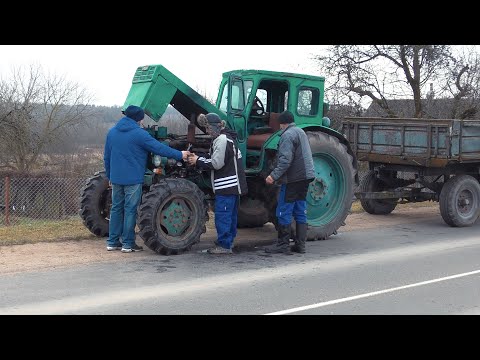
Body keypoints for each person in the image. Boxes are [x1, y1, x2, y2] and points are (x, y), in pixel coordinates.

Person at [104, 105, 191, 253]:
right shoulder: (139, 134)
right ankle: (128, 244)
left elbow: (107, 156)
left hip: (116, 177)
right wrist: (180, 154)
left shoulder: (112, 132)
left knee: (116, 208)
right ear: (139, 118)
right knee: (130, 210)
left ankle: (112, 242)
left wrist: (109, 175)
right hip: (133, 178)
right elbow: (159, 148)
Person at [187, 113, 248, 254]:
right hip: (233, 186)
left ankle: (224, 245)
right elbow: (216, 158)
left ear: (215, 127)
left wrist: (197, 161)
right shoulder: (227, 138)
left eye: (208, 128)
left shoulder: (221, 140)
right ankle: (228, 241)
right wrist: (201, 158)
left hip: (226, 186)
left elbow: (216, 163)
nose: (207, 131)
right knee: (230, 216)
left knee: (223, 216)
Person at [265, 110, 315, 254]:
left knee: (284, 209)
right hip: (306, 177)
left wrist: (273, 176)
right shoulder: (300, 132)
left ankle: (282, 244)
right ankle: (300, 245)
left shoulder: (287, 135)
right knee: (300, 209)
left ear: (282, 124)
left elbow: (285, 161)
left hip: (293, 179)